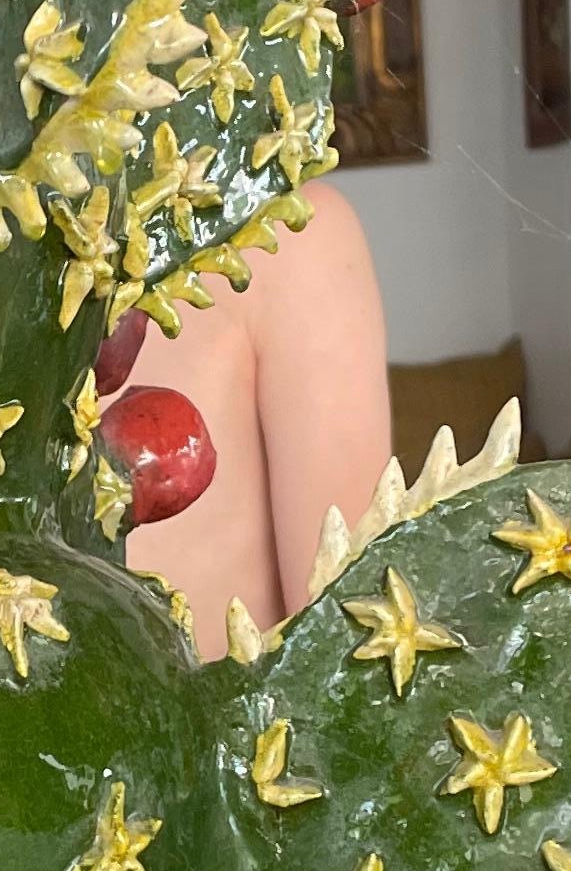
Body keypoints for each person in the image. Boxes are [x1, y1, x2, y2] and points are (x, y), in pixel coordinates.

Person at [132, 187, 392, 650]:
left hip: (217, 718)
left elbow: (346, 644)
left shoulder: (289, 236)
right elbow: (350, 657)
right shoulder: (294, 234)